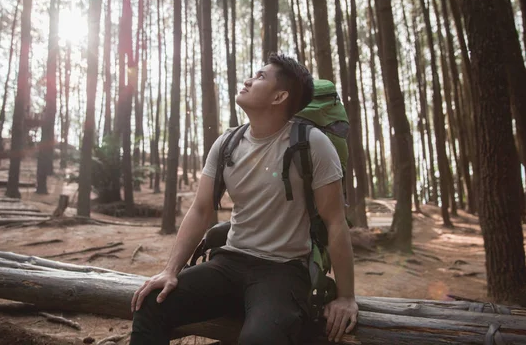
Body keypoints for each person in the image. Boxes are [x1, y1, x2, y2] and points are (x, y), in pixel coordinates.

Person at [130, 54, 358, 344]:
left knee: (259, 338)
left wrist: (346, 297)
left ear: (280, 96)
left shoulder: (312, 144)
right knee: (151, 304)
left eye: (261, 77)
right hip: (230, 261)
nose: (248, 80)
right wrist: (170, 270)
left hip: (283, 271)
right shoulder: (228, 142)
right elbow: (201, 210)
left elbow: (336, 222)